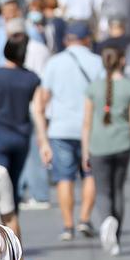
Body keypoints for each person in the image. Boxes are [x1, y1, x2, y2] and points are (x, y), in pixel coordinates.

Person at [32, 21, 104, 241]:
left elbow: (43, 100)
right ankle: (84, 219)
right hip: (91, 128)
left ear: (66, 40)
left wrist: (42, 136)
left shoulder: (54, 63)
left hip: (60, 128)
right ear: (87, 39)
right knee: (90, 173)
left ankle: (68, 225)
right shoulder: (97, 62)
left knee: (64, 177)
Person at [83, 47, 130, 256]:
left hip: (98, 145)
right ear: (122, 62)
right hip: (122, 144)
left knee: (103, 191)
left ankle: (106, 220)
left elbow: (86, 123)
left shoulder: (93, 88)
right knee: (118, 190)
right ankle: (115, 237)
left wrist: (85, 151)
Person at [0, 35, 41, 214]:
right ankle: (13, 218)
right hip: (22, 136)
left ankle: (0, 219)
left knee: (0, 180)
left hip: (0, 134)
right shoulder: (32, 78)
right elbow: (38, 110)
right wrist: (44, 140)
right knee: (14, 181)